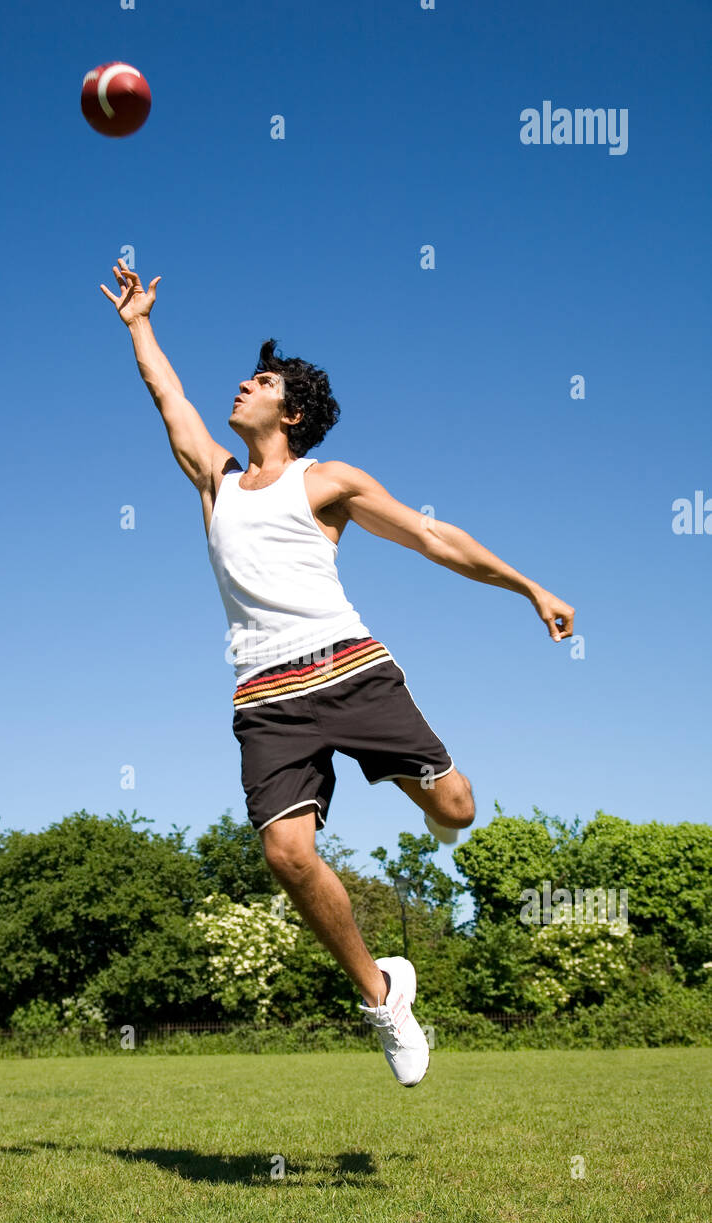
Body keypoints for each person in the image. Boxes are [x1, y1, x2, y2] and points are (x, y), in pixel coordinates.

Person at [100, 262, 575, 1086]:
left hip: (349, 671)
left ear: (293, 413)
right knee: (286, 854)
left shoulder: (328, 482)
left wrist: (528, 586)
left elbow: (432, 537)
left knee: (457, 810)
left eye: (262, 382)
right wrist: (139, 323)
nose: (242, 385)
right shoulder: (216, 480)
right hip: (265, 697)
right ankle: (384, 996)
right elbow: (166, 395)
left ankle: (432, 799)